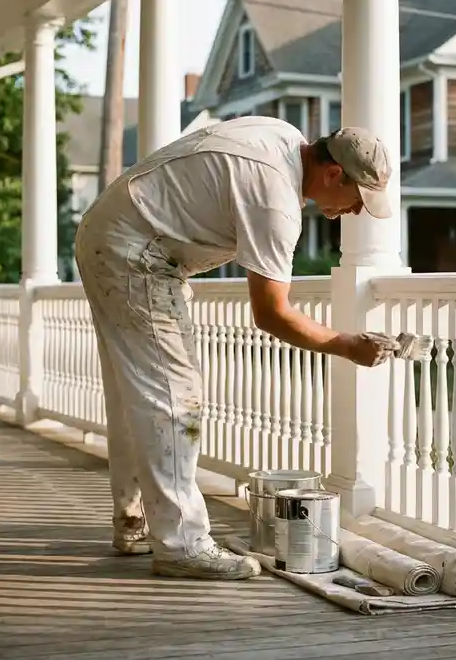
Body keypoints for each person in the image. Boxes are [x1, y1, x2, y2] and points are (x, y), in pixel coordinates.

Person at [74, 116, 398, 581]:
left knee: (138, 395)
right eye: (358, 200)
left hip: (113, 233)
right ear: (332, 174)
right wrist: (345, 345)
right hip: (136, 252)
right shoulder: (275, 199)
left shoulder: (281, 135)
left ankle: (136, 520)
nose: (355, 212)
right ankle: (182, 543)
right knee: (174, 398)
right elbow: (272, 314)